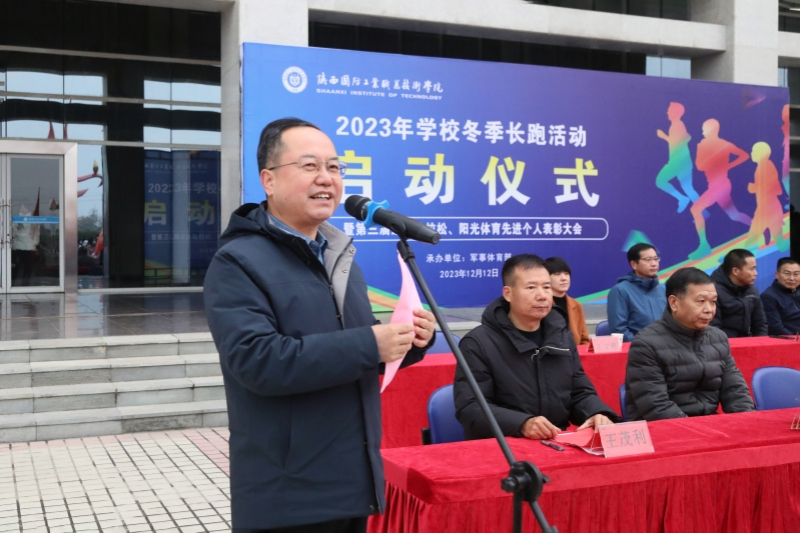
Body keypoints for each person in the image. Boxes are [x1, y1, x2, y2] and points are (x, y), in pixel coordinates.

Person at [203, 118, 436, 533]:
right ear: (268, 180)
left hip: (353, 480)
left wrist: (409, 340)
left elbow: (358, 354)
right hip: (289, 493)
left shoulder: (339, 256)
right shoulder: (237, 261)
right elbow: (257, 362)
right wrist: (370, 343)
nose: (326, 178)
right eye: (309, 166)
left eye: (334, 167)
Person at [454, 254, 618, 441]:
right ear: (508, 293)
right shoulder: (478, 343)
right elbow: (471, 408)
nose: (542, 296)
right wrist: (522, 423)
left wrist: (596, 413)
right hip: (503, 446)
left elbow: (579, 392)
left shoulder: (562, 337)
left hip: (555, 442)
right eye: (531, 287)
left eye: (546, 287)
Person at [625, 267, 755, 421]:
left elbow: (735, 391)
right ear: (674, 303)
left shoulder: (718, 338)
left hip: (707, 424)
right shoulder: (646, 344)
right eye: (701, 301)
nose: (709, 310)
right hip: (663, 428)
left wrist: (746, 422)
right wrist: (696, 430)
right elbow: (656, 407)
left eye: (713, 302)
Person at [688, 119, 752, 260]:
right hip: (722, 184)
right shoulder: (724, 144)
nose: (702, 132)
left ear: (710, 130)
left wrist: (710, 155)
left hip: (718, 186)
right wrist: (726, 165)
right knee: (734, 215)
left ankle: (704, 246)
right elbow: (744, 155)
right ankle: (759, 226)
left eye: (704, 129)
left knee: (696, 209)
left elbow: (699, 166)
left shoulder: (703, 145)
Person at [607, 243, 667, 342]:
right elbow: (619, 330)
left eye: (656, 259)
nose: (654, 263)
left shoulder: (662, 290)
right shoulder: (620, 291)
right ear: (634, 264)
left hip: (666, 346)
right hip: (638, 348)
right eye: (648, 260)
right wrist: (640, 345)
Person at [710, 249, 768, 338]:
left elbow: (760, 324)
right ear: (735, 271)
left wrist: (761, 343)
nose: (756, 273)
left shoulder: (753, 290)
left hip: (748, 341)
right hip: (724, 342)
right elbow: (713, 328)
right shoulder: (713, 292)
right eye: (751, 269)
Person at [655, 102, 700, 213]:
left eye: (669, 110)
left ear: (675, 112)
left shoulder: (677, 125)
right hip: (683, 162)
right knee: (688, 188)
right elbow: (687, 138)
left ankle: (682, 199)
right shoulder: (677, 125)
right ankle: (704, 213)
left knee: (660, 181)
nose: (667, 112)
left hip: (678, 162)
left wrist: (663, 136)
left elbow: (678, 142)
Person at [744, 142, 788, 251]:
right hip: (769, 208)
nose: (751, 153)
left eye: (754, 151)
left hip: (767, 208)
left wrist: (753, 187)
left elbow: (771, 187)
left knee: (751, 242)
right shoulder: (764, 166)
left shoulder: (765, 167)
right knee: (780, 242)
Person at [544, 256, 590, 345]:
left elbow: (584, 340)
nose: (564, 278)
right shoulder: (541, 304)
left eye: (566, 273)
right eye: (557, 274)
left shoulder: (576, 304)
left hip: (575, 352)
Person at [760, 257, 800, 336]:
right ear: (777, 274)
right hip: (788, 340)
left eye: (796, 274)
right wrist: (795, 340)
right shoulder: (768, 297)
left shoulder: (797, 292)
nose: (792, 278)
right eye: (787, 273)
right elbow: (776, 328)